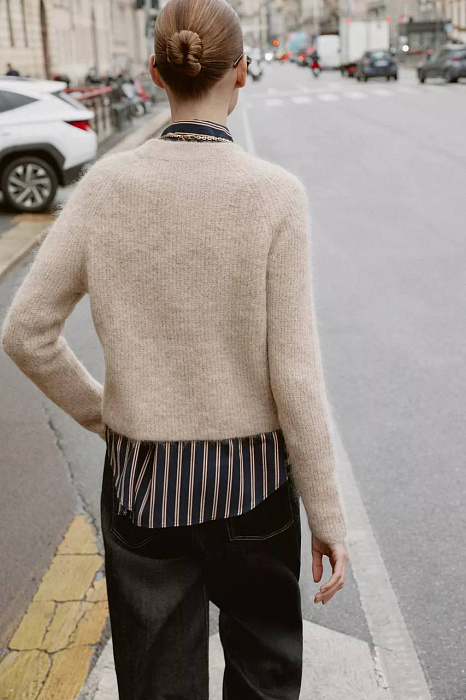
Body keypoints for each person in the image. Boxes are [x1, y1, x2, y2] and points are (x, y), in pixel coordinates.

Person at [1, 0, 348, 697]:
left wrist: (104, 414)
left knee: (158, 681)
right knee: (263, 675)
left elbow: (25, 331)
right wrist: (327, 514)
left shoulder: (105, 189)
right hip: (255, 486)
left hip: (144, 483)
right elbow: (295, 373)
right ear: (241, 73)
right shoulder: (275, 196)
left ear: (157, 73)